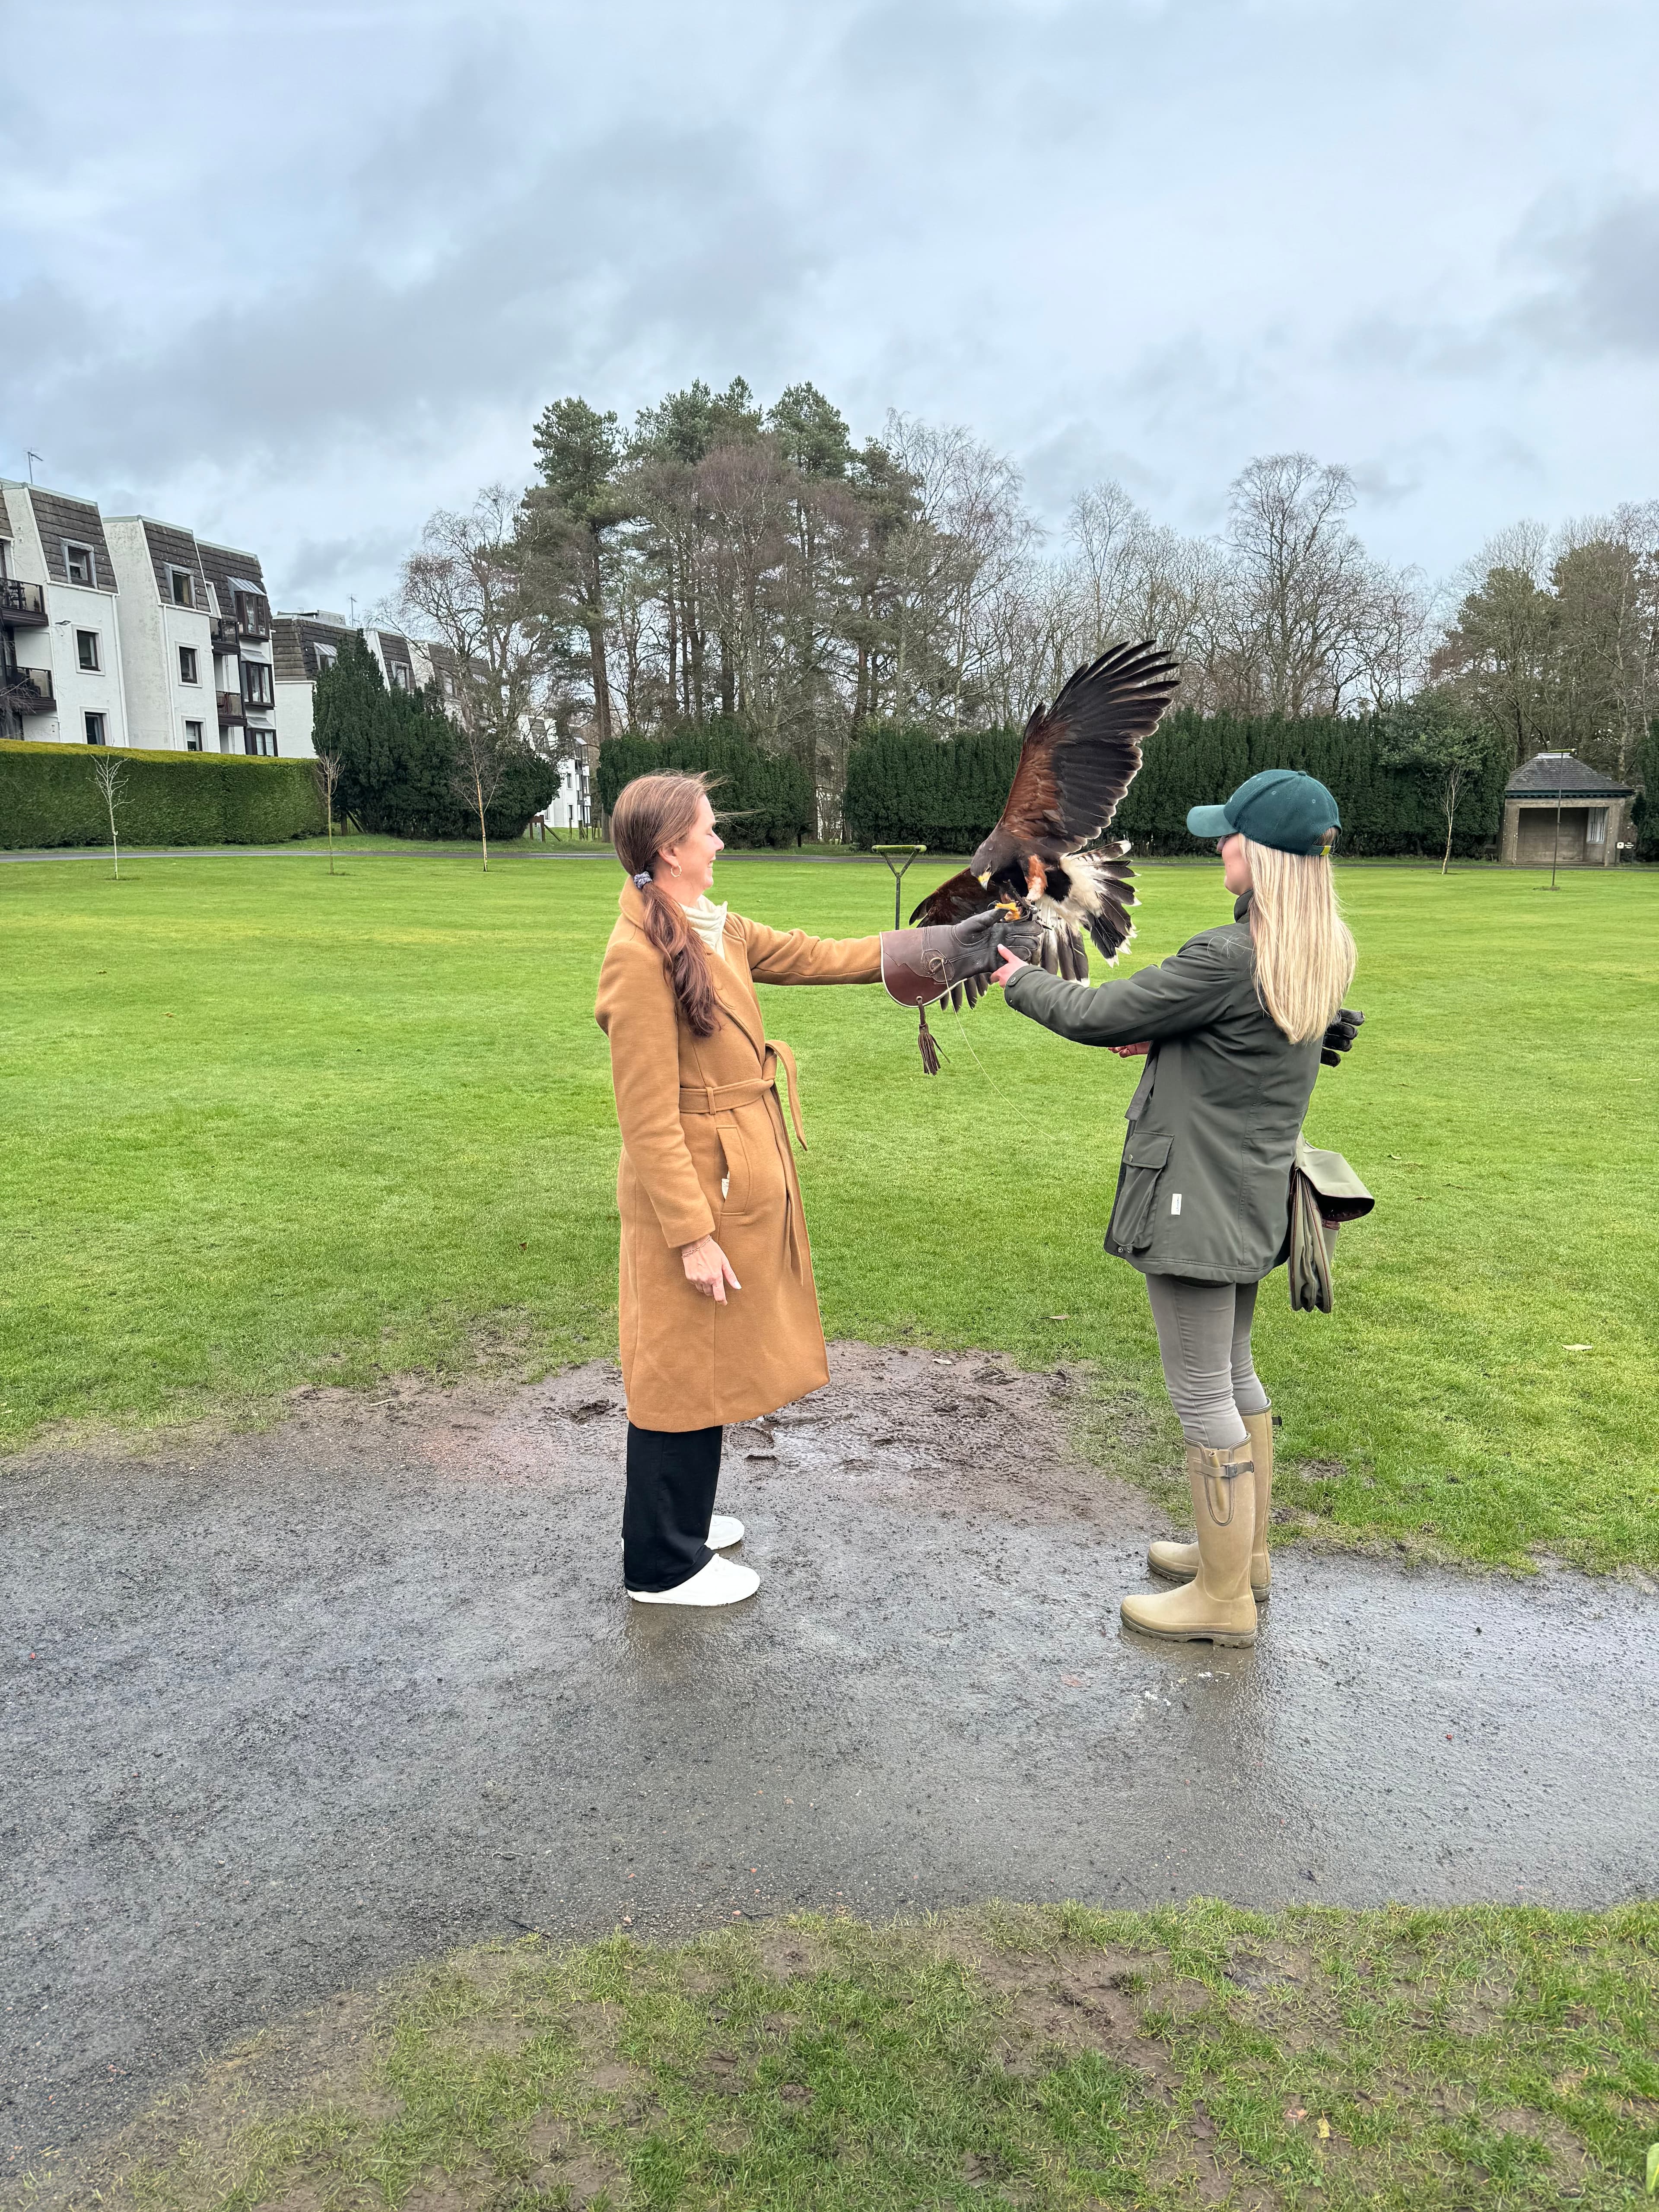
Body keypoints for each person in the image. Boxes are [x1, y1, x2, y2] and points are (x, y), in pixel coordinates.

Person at [595, 771, 1027, 1608]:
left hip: (726, 1172)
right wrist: (690, 1234)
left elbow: (817, 954)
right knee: (676, 1367)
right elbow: (645, 1120)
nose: (720, 842)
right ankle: (660, 1562)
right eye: (709, 831)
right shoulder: (636, 955)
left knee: (707, 1357)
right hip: (690, 1187)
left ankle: (684, 1516)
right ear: (669, 849)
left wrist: (948, 946)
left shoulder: (708, 925)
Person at [990, 769, 1358, 1648]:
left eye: (1229, 835)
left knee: (1202, 1395)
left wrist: (1018, 977)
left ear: (1259, 853)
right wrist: (1168, 1031)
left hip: (1196, 1197)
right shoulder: (1315, 944)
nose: (1219, 846)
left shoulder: (1229, 957)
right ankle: (1242, 1558)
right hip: (1251, 1192)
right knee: (1235, 1377)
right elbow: (1241, 1032)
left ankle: (1222, 1600)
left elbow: (1098, 1011)